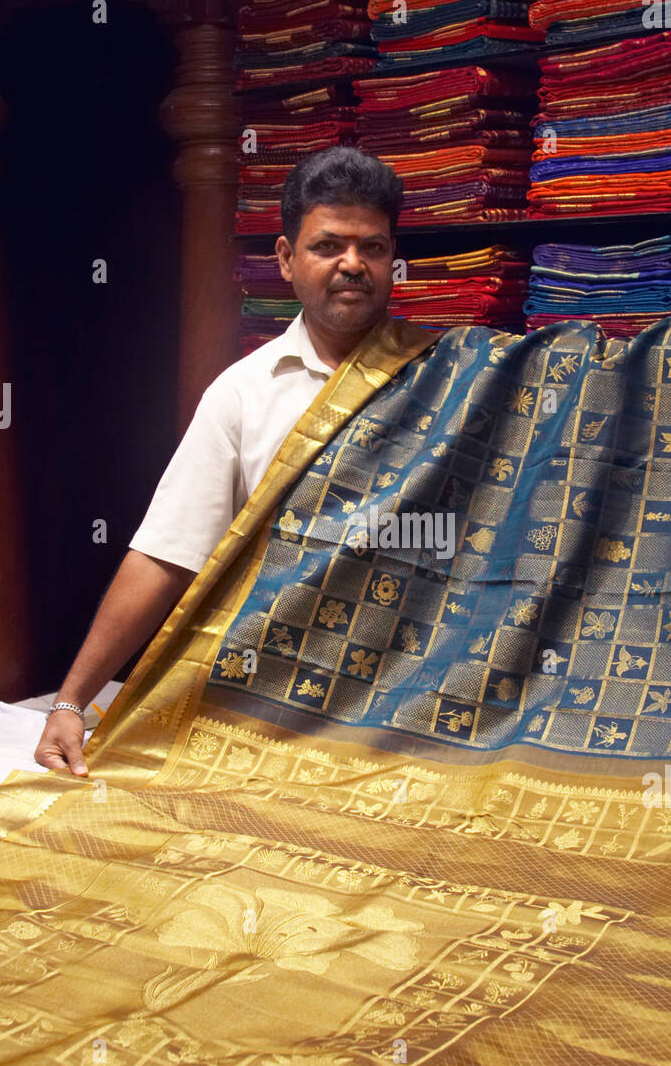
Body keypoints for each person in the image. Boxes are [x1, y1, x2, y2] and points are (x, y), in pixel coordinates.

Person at [34, 147, 405, 776]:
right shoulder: (243, 392)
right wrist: (72, 700)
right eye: (328, 246)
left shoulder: (452, 380)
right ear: (286, 259)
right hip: (273, 693)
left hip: (409, 692)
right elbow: (166, 553)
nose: (352, 264)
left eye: (372, 247)